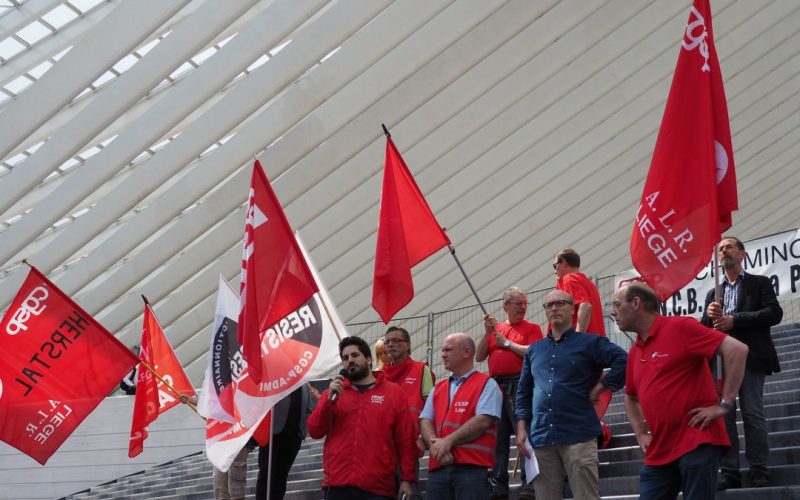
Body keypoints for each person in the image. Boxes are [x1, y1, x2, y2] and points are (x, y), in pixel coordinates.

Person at [612, 282, 749, 500]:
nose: (612, 312)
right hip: (660, 449)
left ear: (636, 303)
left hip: (697, 440)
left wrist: (724, 404)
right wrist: (640, 433)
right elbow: (630, 396)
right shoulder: (635, 351)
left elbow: (737, 349)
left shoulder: (679, 327)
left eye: (617, 305)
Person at [514, 290, 627, 500]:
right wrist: (521, 428)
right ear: (545, 311)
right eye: (549, 305)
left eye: (560, 303)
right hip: (541, 437)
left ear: (572, 308)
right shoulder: (534, 350)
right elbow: (523, 392)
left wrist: (601, 386)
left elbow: (624, 360)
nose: (554, 308)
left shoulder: (590, 342)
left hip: (579, 434)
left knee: (586, 496)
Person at [700, 236, 783, 489]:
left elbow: (774, 313)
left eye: (729, 247)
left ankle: (758, 468)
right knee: (723, 416)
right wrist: (707, 316)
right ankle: (730, 470)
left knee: (752, 413)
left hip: (751, 357)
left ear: (742, 255)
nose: (723, 251)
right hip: (722, 362)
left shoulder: (759, 283)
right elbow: (706, 330)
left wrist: (736, 320)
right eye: (720, 249)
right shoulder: (714, 292)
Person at [307, 336, 417, 499]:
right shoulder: (333, 393)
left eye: (354, 355)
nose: (349, 360)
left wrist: (407, 479)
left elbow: (406, 439)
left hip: (378, 489)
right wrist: (328, 402)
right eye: (345, 358)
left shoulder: (393, 393)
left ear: (368, 359)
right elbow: (314, 430)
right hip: (337, 487)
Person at [475, 287, 542, 499]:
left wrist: (507, 343)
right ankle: (498, 485)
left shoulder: (531, 328)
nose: (523, 307)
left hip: (519, 383)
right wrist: (488, 334)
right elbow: (479, 356)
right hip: (496, 386)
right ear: (506, 306)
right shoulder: (496, 329)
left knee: (525, 435)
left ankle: (529, 484)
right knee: (498, 439)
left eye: (525, 303)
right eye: (518, 303)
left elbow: (533, 351)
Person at [420, 332, 502, 500]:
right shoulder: (438, 388)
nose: (443, 354)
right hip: (439, 468)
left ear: (466, 352)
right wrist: (437, 446)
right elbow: (425, 420)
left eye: (448, 350)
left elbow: (483, 421)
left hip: (472, 469)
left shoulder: (487, 384)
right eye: (442, 350)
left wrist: (446, 442)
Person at [553, 249, 613, 447]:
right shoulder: (586, 282)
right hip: (592, 347)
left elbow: (584, 306)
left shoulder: (570, 278)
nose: (555, 271)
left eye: (555, 266)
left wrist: (575, 337)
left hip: (581, 349)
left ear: (563, 263)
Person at [180, 394, 252, 500]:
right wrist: (191, 400)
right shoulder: (216, 384)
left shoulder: (240, 383)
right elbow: (210, 405)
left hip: (238, 438)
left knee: (236, 483)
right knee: (220, 484)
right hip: (221, 441)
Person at [255, 384, 316, 500]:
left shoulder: (304, 383)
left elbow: (308, 407)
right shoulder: (278, 377)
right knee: (266, 474)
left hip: (293, 437)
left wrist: (304, 430)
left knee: (281, 476)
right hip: (273, 434)